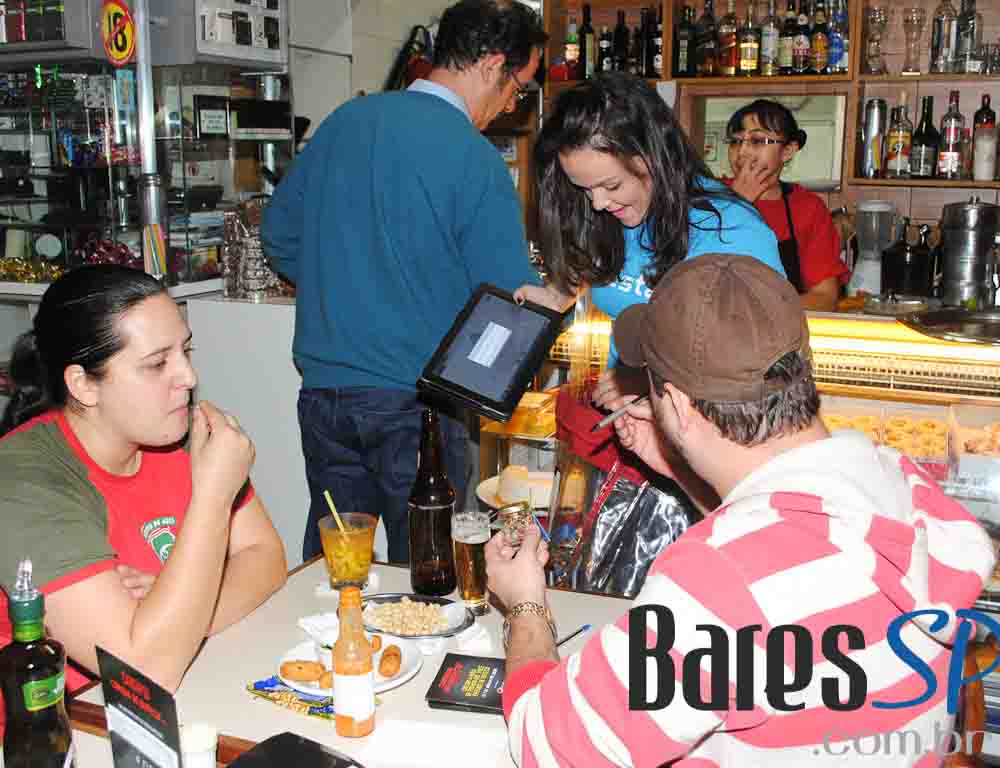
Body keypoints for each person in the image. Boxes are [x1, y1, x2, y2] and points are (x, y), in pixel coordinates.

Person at [487, 254, 994, 766]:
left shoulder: (717, 585)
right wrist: (680, 466)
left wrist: (526, 603)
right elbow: (783, 556)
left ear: (681, 407)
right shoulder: (900, 483)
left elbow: (549, 745)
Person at [261, 0, 555, 564]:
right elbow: (510, 293)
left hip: (325, 395)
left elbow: (279, 236)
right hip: (417, 403)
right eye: (519, 87)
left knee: (337, 562)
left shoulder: (346, 121)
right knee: (428, 568)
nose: (511, 105)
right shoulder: (473, 156)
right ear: (493, 65)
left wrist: (344, 286)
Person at [0, 265, 287, 735]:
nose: (189, 376)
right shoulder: (23, 483)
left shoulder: (172, 433)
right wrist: (212, 497)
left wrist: (178, 613)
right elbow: (144, 671)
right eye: (157, 364)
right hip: (57, 735)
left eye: (186, 350)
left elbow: (266, 557)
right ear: (83, 385)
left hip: (174, 707)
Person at [726, 99, 849, 312]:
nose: (742, 152)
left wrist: (760, 313)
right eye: (735, 141)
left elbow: (824, 297)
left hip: (781, 335)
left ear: (788, 151)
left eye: (757, 140)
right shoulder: (704, 197)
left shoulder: (807, 208)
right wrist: (736, 203)